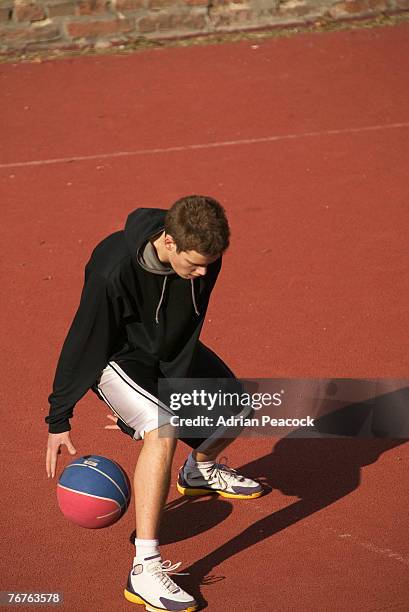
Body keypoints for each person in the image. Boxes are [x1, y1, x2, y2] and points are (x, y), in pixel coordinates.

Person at [45, 195, 262, 612]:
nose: (204, 271)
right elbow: (83, 339)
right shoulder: (113, 269)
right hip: (115, 355)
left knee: (240, 407)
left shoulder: (205, 256)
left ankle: (198, 472)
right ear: (168, 242)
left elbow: (184, 330)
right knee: (162, 430)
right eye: (195, 263)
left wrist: (170, 390)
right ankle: (144, 568)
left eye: (209, 263)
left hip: (166, 349)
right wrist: (59, 416)